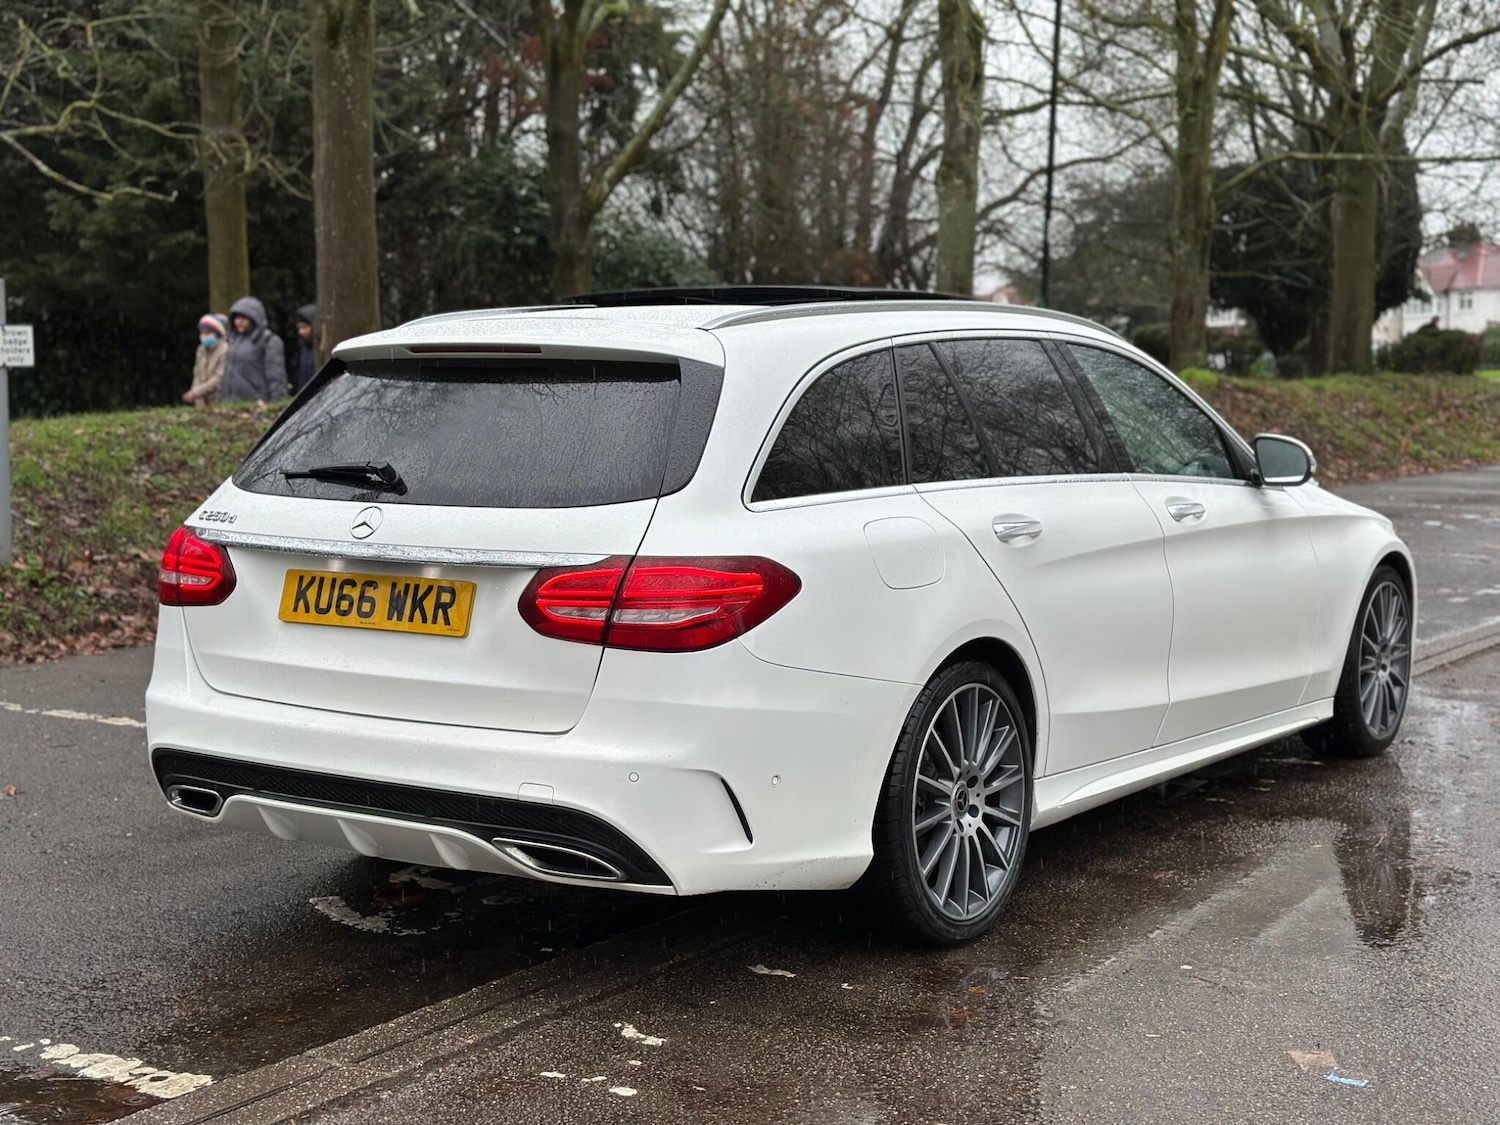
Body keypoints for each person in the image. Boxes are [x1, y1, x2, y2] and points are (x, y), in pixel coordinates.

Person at [220, 295, 288, 403]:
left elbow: (276, 376)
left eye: (243, 318)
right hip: (229, 404)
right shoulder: (231, 340)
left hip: (257, 404)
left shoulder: (268, 341)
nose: (238, 322)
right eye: (236, 318)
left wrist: (277, 405)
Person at [183, 313, 228, 408]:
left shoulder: (225, 350)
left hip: (219, 400)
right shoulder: (201, 350)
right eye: (202, 332)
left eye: (208, 332)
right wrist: (194, 392)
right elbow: (197, 374)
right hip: (201, 401)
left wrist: (195, 392)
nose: (204, 336)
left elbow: (219, 378)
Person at [291, 304, 317, 393]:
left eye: (305, 327)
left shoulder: (321, 349)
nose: (301, 332)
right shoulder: (303, 347)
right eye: (299, 328)